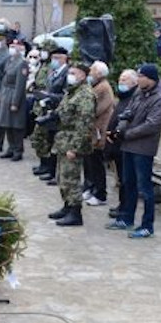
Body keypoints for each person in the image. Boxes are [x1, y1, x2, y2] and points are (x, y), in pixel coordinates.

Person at [106, 64, 161, 238]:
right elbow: (127, 113)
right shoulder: (139, 94)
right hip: (128, 146)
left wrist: (126, 134)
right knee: (128, 183)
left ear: (151, 78)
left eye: (141, 76)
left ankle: (147, 225)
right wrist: (119, 130)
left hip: (144, 148)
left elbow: (152, 125)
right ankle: (127, 218)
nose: (138, 79)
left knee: (145, 188)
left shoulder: (160, 99)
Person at [47, 62, 96, 227]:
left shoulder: (85, 95)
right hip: (63, 139)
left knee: (71, 178)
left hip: (73, 142)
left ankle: (75, 213)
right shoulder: (72, 92)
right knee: (62, 177)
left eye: (74, 73)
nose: (71, 76)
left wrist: (75, 148)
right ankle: (67, 206)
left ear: (83, 75)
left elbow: (85, 124)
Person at [31, 46, 69, 183]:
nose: (54, 60)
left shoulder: (66, 73)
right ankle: (46, 167)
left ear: (65, 59)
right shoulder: (53, 72)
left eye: (58, 58)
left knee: (54, 142)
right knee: (45, 139)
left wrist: (49, 96)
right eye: (53, 58)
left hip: (57, 111)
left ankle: (53, 172)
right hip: (47, 109)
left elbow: (65, 95)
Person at [106, 69, 139, 219]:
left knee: (127, 179)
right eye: (120, 80)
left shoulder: (134, 98)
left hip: (125, 143)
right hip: (115, 142)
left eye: (124, 80)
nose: (121, 82)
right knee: (121, 178)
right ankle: (122, 204)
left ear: (134, 82)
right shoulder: (123, 97)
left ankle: (126, 207)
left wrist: (117, 133)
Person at [83, 61, 114, 206]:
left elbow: (95, 109)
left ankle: (100, 193)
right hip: (92, 130)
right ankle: (90, 187)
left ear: (99, 73)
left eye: (92, 71)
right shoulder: (96, 86)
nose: (90, 73)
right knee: (90, 162)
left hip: (99, 131)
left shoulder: (103, 88)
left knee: (97, 163)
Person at [0, 40, 29, 161]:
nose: (11, 48)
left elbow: (20, 85)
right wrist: (1, 94)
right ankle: (10, 148)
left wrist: (15, 102)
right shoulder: (9, 61)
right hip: (6, 93)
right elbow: (4, 79)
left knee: (16, 125)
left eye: (14, 46)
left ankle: (18, 150)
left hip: (15, 95)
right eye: (10, 46)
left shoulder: (22, 63)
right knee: (7, 124)